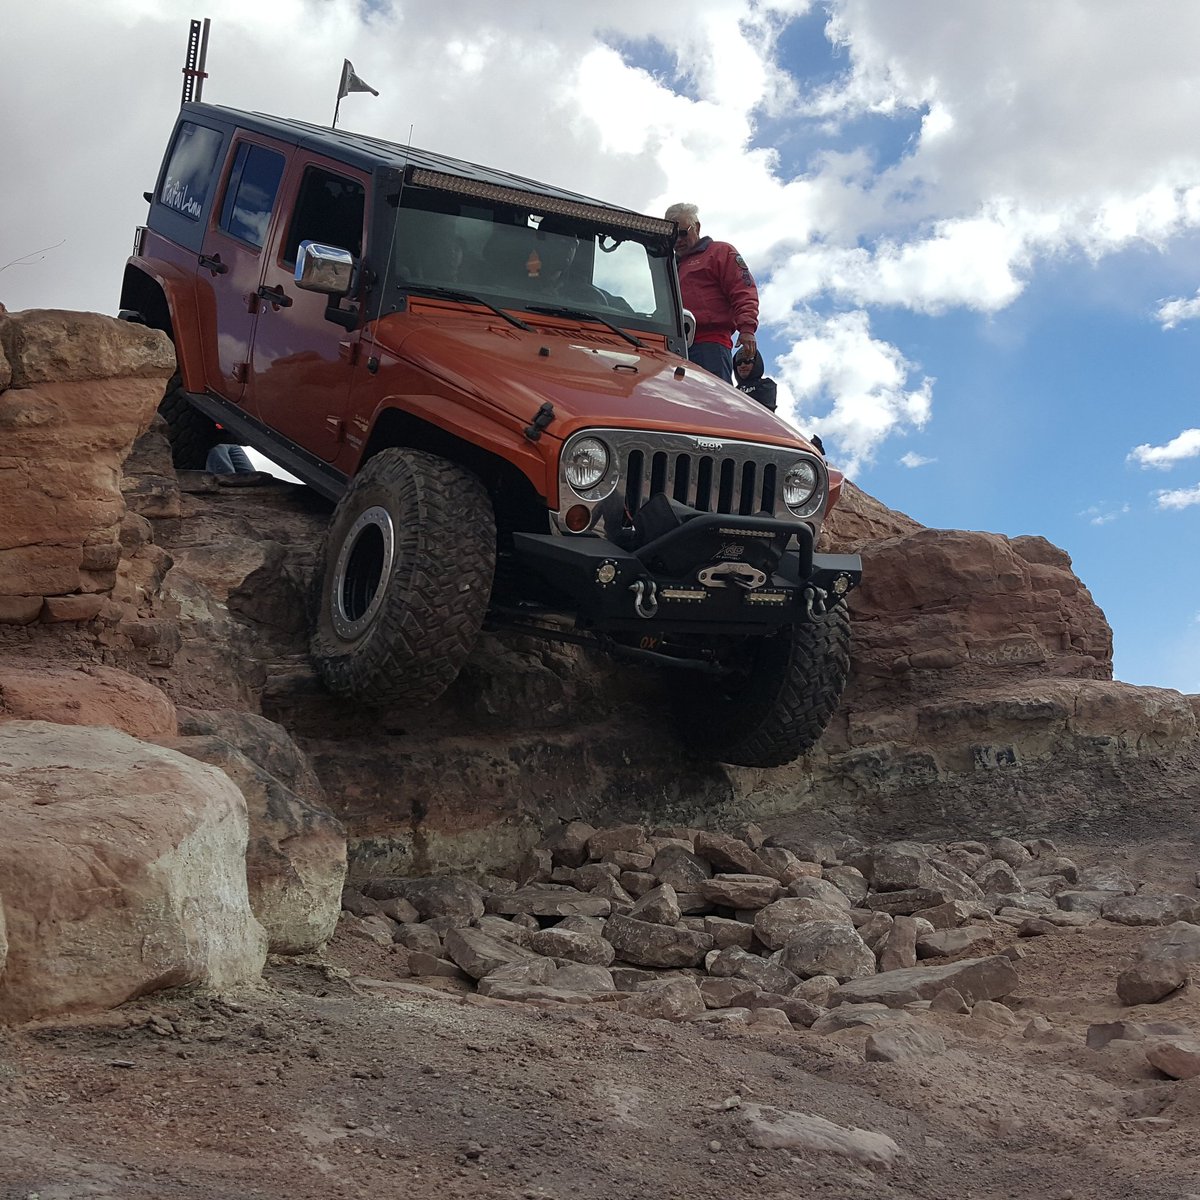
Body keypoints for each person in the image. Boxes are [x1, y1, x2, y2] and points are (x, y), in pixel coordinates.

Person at [665, 202, 758, 383]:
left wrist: (747, 328)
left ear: (697, 227)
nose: (678, 239)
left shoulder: (720, 252)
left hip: (710, 345)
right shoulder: (667, 264)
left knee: (713, 406)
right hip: (672, 346)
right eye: (673, 234)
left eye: (683, 232)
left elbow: (743, 289)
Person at [733, 346, 777, 412]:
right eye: (738, 363)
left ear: (756, 363)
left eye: (747, 361)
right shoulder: (732, 390)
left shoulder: (767, 385)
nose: (742, 366)